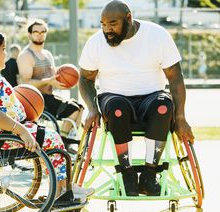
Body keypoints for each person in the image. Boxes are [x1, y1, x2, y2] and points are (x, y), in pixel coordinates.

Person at [78, 0, 194, 196]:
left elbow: (175, 78)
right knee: (117, 108)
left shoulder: (156, 35)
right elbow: (85, 79)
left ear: (128, 18)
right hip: (113, 96)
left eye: (113, 23)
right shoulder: (96, 42)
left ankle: (150, 174)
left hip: (151, 95)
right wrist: (92, 108)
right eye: (103, 24)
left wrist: (181, 118)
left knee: (164, 107)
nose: (107, 30)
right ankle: (127, 173)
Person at [0, 29, 89, 198]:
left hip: (6, 133)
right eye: (3, 49)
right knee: (54, 141)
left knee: (50, 139)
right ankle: (63, 190)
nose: (6, 53)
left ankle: (62, 187)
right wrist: (22, 130)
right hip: (4, 137)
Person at [17, 19, 84, 143]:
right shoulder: (26, 55)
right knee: (73, 110)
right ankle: (63, 142)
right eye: (36, 32)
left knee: (80, 108)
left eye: (43, 32)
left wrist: (64, 82)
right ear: (30, 34)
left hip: (49, 96)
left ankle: (67, 139)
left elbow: (54, 76)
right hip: (35, 99)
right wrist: (49, 81)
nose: (40, 34)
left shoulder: (47, 54)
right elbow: (26, 83)